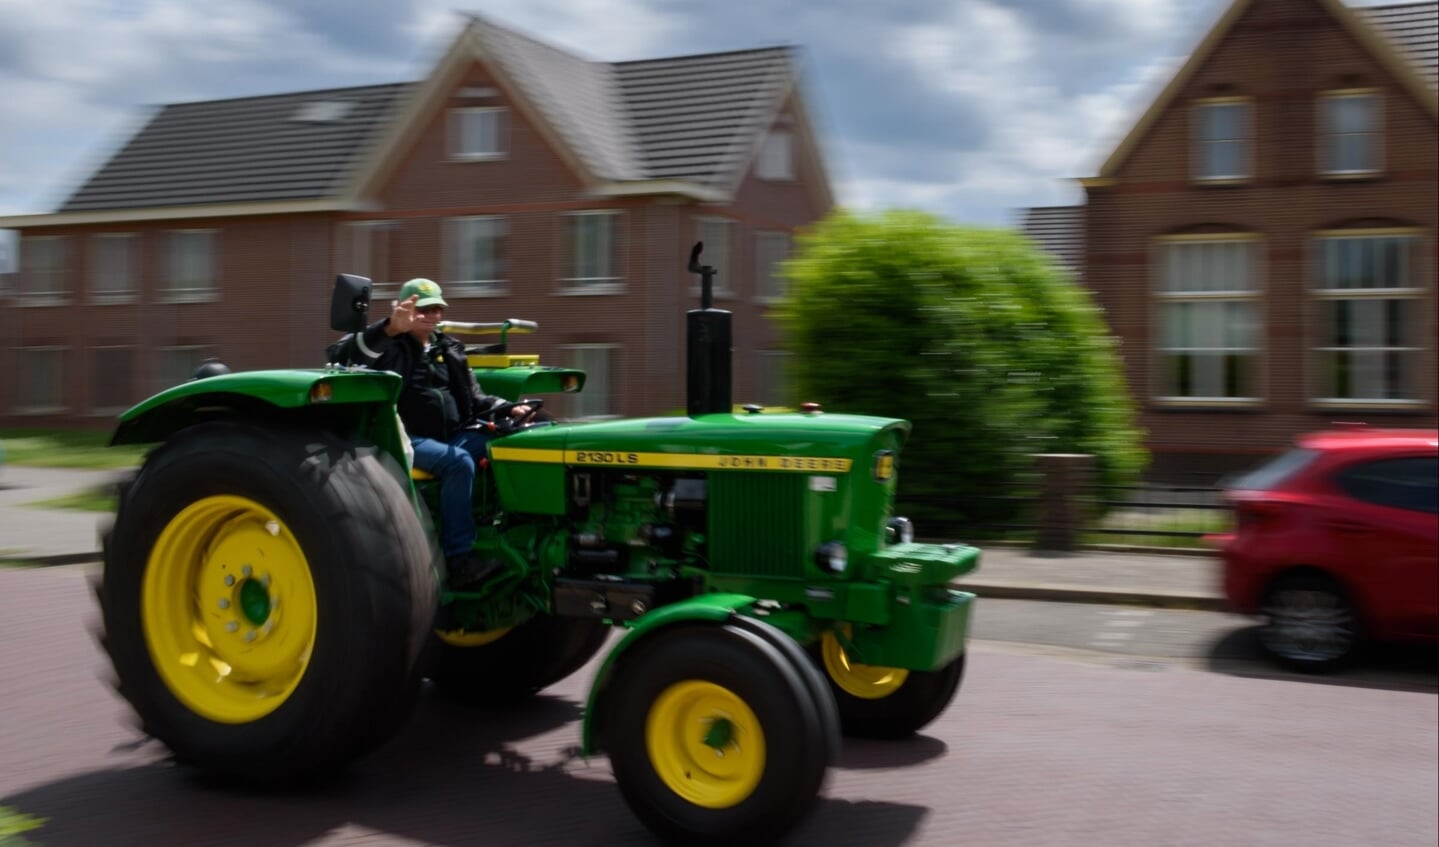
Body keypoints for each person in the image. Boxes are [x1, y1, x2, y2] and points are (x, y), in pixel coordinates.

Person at [327, 278, 530, 589]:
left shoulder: (448, 348)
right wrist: (389, 329)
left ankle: (513, 534)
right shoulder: (388, 346)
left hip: (454, 435)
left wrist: (509, 409)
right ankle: (460, 559)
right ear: (405, 311)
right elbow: (341, 357)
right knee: (458, 462)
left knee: (515, 443)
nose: (432, 315)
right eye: (424, 309)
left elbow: (476, 398)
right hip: (407, 440)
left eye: (437, 308)